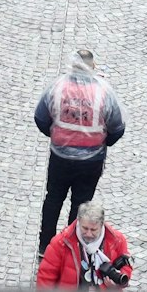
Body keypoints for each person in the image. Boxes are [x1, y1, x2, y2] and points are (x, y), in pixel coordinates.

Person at [33, 51, 125, 254]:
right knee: (81, 203)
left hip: (60, 157)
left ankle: (45, 244)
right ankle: (72, 246)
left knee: (53, 198)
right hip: (91, 160)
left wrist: (57, 135)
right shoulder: (103, 92)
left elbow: (40, 118)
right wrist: (103, 143)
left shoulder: (57, 87)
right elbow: (117, 127)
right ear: (93, 66)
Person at [37, 200, 131, 287]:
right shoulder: (61, 243)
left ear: (102, 225)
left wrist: (118, 283)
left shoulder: (117, 240)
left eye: (93, 230)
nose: (89, 234)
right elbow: (46, 278)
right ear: (78, 221)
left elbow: (126, 266)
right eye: (85, 228)